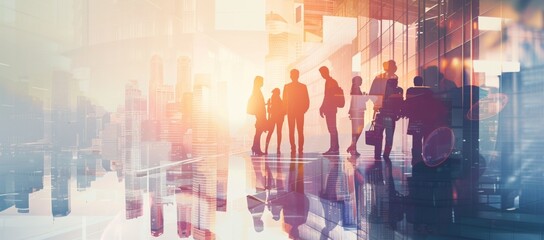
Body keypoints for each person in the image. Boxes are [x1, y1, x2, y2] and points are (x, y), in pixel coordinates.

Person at [369, 60, 399, 159]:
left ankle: (378, 154)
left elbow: (372, 93)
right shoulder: (392, 78)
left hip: (382, 111)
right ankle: (385, 155)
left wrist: (377, 103)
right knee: (389, 135)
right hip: (389, 112)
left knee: (379, 134)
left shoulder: (380, 78)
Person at [404, 76, 433, 166]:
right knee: (426, 136)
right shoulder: (428, 91)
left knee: (416, 138)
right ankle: (426, 154)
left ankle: (416, 156)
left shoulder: (410, 91)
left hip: (415, 117)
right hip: (426, 117)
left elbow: (408, 103)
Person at [283, 69, 310, 155]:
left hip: (293, 112)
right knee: (299, 131)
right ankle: (299, 148)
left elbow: (284, 100)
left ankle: (294, 148)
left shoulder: (287, 87)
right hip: (296, 112)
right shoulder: (302, 86)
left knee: (294, 131)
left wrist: (286, 110)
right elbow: (307, 100)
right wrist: (303, 110)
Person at [375, 78, 403, 159]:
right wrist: (398, 113)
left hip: (381, 116)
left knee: (378, 136)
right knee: (389, 137)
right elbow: (400, 103)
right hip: (391, 117)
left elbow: (377, 103)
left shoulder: (382, 92)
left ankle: (377, 154)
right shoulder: (398, 90)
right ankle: (386, 154)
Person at [319, 66, 341, 155]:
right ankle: (334, 147)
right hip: (330, 108)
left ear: (326, 72)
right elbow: (327, 96)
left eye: (322, 73)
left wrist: (323, 107)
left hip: (330, 109)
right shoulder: (330, 82)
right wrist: (322, 107)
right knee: (332, 128)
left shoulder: (330, 82)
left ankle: (334, 147)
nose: (321, 75)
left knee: (332, 128)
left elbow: (328, 96)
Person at [347, 76, 370, 156]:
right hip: (358, 112)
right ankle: (353, 147)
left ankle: (353, 147)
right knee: (358, 130)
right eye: (361, 80)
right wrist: (366, 96)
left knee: (355, 131)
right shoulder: (356, 89)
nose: (361, 82)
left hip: (355, 111)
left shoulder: (355, 88)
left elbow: (353, 101)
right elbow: (359, 100)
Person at [247, 76, 266, 156]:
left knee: (258, 131)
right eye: (262, 81)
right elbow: (258, 104)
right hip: (259, 114)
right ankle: (256, 148)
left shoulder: (257, 91)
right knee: (259, 131)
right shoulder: (257, 92)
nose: (263, 82)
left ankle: (255, 147)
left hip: (260, 114)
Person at [264, 88, 285, 154]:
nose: (273, 95)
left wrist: (269, 106)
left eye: (274, 93)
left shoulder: (274, 100)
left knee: (271, 133)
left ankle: (266, 149)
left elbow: (269, 111)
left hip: (274, 118)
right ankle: (277, 149)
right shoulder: (280, 101)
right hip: (278, 119)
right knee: (278, 133)